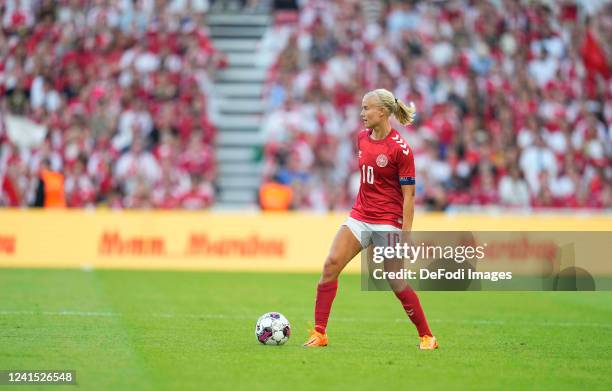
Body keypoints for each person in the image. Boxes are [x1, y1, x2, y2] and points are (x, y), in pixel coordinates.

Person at [303, 89, 438, 350]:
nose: (362, 113)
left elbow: (409, 197)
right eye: (362, 108)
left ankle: (427, 336)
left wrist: (405, 234)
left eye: (367, 108)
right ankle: (319, 333)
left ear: (383, 112)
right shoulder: (361, 139)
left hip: (388, 220)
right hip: (360, 215)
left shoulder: (401, 150)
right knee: (331, 265)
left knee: (395, 280)